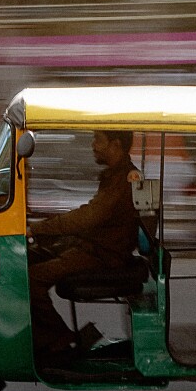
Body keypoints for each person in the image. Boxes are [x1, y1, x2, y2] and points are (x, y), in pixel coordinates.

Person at [27, 129, 140, 363]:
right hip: (91, 245)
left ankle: (60, 341)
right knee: (28, 256)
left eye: (98, 140)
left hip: (102, 255)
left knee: (31, 279)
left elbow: (88, 217)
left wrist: (38, 229)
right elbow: (89, 217)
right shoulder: (113, 176)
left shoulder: (125, 180)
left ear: (116, 144)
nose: (93, 145)